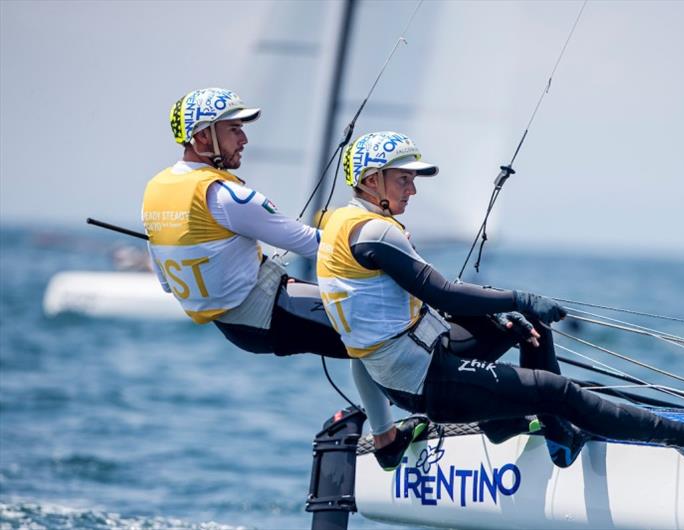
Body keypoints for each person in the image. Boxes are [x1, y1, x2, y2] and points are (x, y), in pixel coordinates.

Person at [140, 88, 530, 470]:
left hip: (233, 323)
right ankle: (461, 423)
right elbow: (317, 245)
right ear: (202, 136)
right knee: (373, 333)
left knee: (366, 336)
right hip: (267, 312)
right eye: (233, 129)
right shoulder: (224, 195)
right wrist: (386, 256)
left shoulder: (158, 190)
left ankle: (392, 434)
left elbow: (165, 279)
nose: (243, 138)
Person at [317, 131, 684, 467]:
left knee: (523, 329)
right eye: (403, 179)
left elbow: (424, 301)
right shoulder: (376, 232)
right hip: (425, 380)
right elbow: (441, 291)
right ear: (373, 180)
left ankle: (541, 431)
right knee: (558, 390)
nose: (412, 190)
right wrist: (522, 296)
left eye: (413, 180)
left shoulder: (343, 220)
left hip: (417, 357)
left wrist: (513, 310)